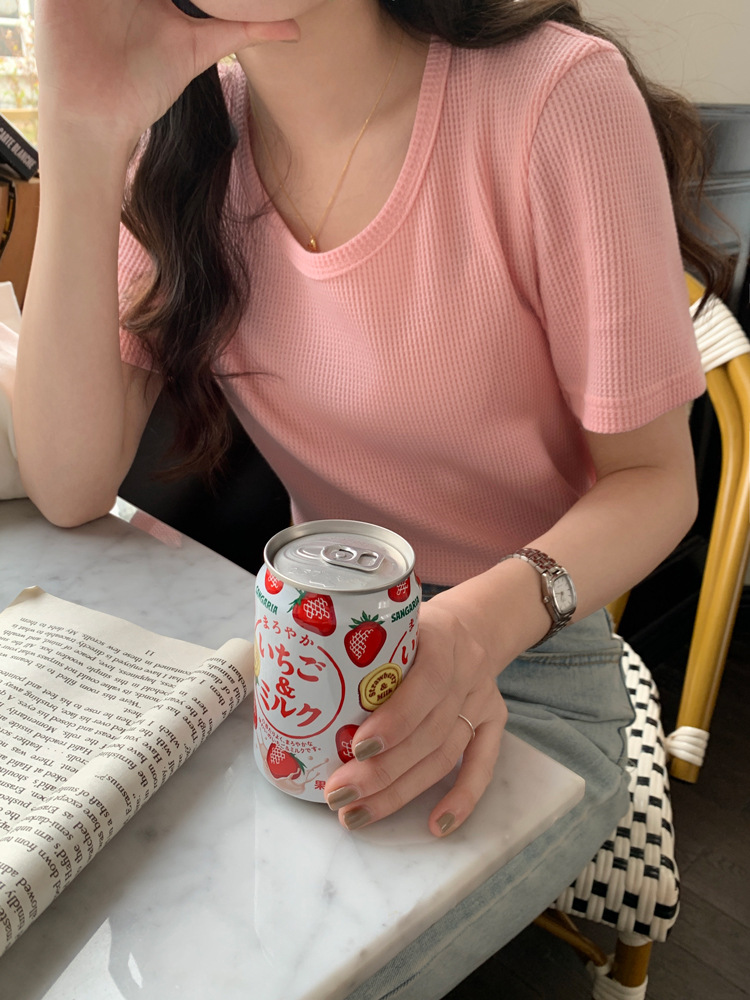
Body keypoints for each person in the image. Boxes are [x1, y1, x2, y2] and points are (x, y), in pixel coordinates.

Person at [11, 1, 730, 996]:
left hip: (532, 649)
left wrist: (471, 633)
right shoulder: (180, 142)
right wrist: (81, 139)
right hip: (302, 638)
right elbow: (67, 482)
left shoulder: (556, 97)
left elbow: (656, 482)